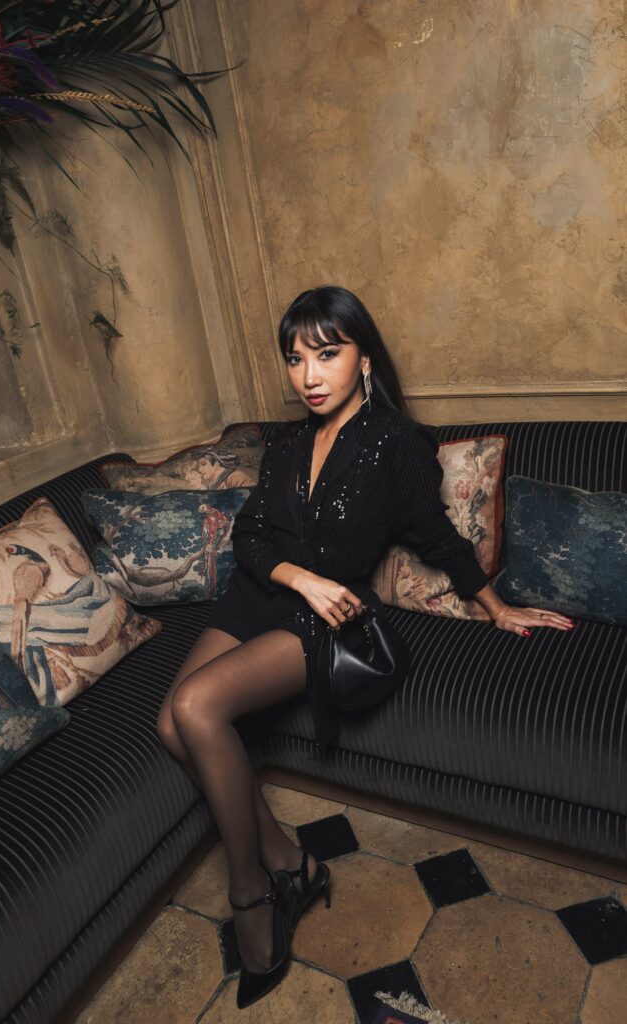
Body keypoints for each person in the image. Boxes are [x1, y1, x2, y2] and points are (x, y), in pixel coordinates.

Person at [156, 285, 575, 1007]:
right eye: (296, 359)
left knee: (194, 707)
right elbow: (249, 534)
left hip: (324, 618)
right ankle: (292, 861)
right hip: (263, 594)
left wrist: (496, 605)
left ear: (365, 358)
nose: (309, 375)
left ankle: (250, 890)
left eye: (327, 354)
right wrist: (298, 576)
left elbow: (436, 537)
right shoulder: (286, 443)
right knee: (169, 725)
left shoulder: (396, 442)